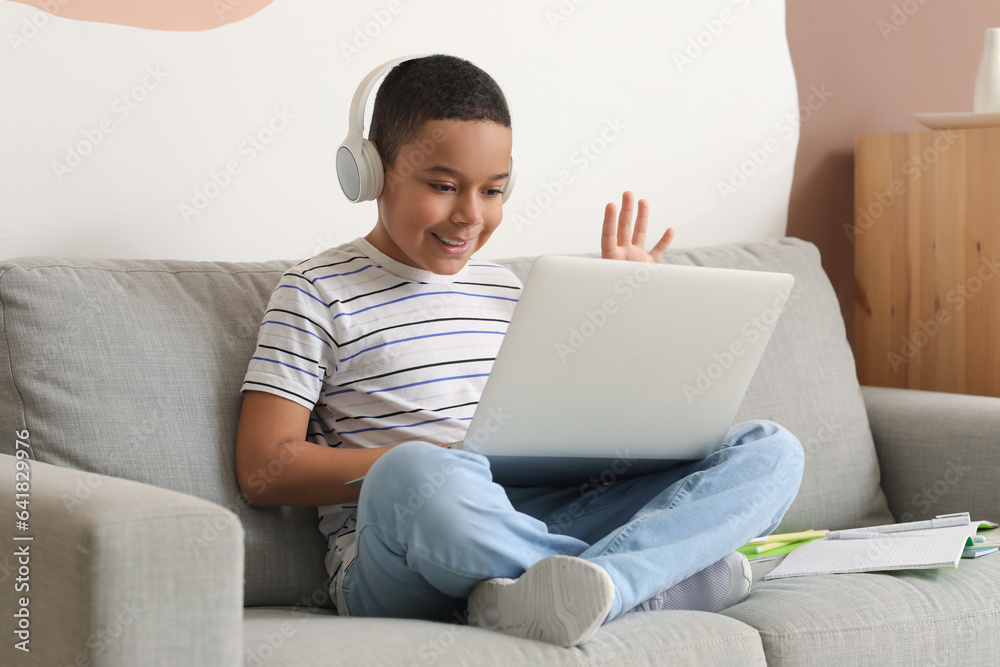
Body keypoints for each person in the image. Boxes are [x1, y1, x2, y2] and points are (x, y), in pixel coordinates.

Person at [234, 54, 804, 648]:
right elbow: (263, 471)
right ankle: (646, 581)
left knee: (771, 449)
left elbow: (569, 433)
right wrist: (443, 459)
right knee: (415, 470)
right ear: (372, 171)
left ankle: (579, 588)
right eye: (444, 186)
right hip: (406, 548)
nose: (470, 216)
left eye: (493, 191)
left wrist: (627, 318)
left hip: (535, 516)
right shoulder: (317, 291)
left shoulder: (507, 288)